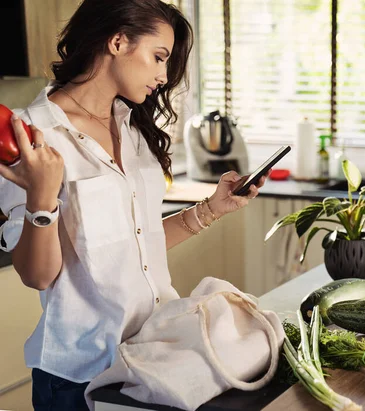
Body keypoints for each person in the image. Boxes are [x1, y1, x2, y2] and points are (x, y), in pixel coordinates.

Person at [0, 1, 268, 409]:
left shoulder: (134, 129)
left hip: (153, 356)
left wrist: (212, 208)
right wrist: (42, 195)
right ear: (118, 40)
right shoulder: (32, 135)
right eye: (158, 57)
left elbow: (139, 244)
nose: (163, 76)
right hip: (81, 375)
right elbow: (37, 275)